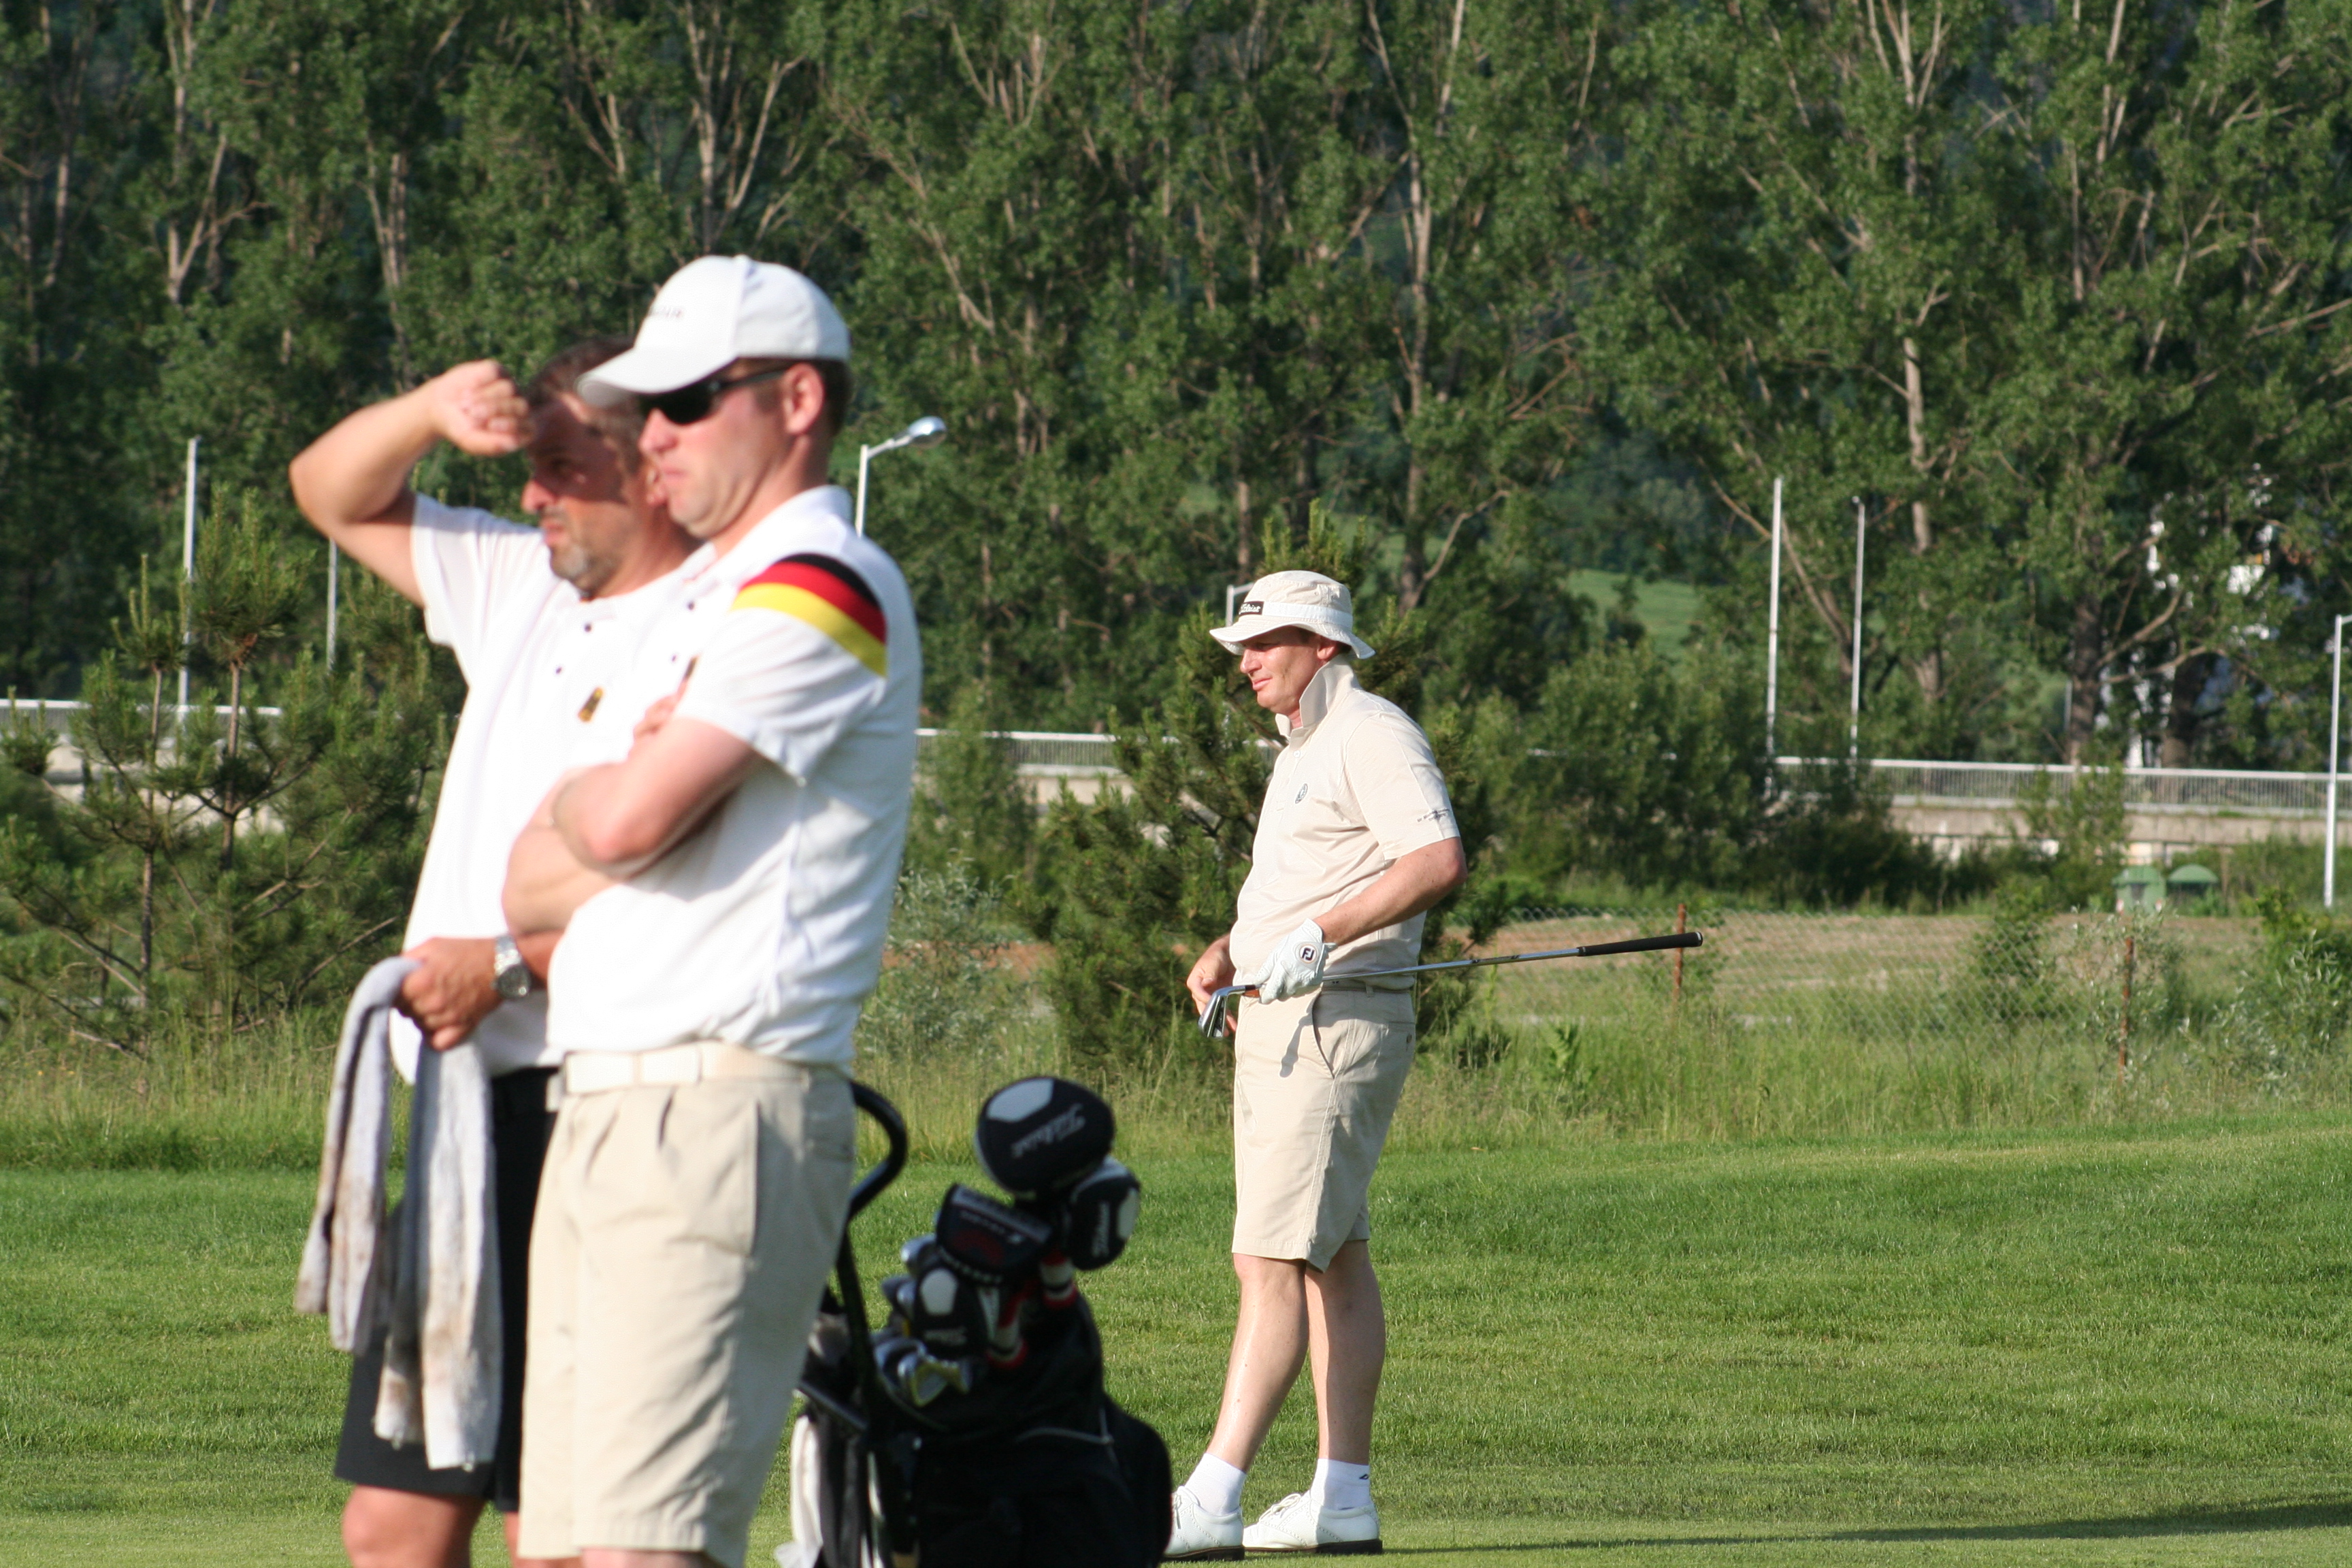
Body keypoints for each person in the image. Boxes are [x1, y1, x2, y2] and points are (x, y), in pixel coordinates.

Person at [497, 255, 921, 1568]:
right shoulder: (707, 610)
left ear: (798, 401)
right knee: (561, 1548)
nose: (655, 437)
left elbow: (616, 824)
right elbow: (525, 883)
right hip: (607, 1102)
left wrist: (604, 802)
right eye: (646, 407)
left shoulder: (824, 580)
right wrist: (616, 801)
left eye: (687, 401)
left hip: (715, 1111)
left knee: (645, 1551)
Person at [289, 338, 694, 1568]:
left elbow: (687, 888)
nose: (533, 494)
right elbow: (329, 491)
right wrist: (428, 408)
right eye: (533, 465)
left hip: (608, 1112)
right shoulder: (524, 579)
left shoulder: (716, 630)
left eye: (563, 466)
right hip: (470, 1118)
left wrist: (507, 966)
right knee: (394, 1528)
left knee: (559, 1529)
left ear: (653, 469)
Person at [1167, 572, 1466, 1560]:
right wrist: (1233, 948)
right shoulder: (1302, 747)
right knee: (1333, 1258)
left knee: (1270, 1262)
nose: (1247, 662)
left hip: (1337, 1023)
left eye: (1267, 643)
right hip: (1283, 1023)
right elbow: (1303, 885)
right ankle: (1343, 1500)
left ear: (1325, 644)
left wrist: (1320, 936)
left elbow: (1435, 860)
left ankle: (1212, 1497)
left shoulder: (1372, 732)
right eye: (1244, 647)